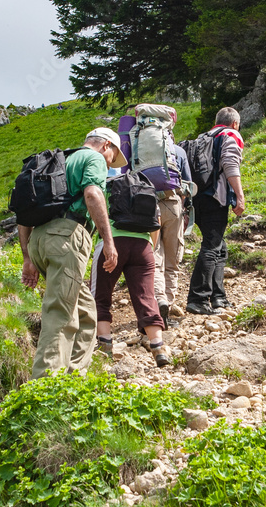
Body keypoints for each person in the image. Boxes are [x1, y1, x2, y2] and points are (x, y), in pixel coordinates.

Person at [18, 127, 128, 379]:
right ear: (106, 146)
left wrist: (28, 257)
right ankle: (45, 387)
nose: (110, 164)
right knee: (61, 313)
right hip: (68, 236)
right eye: (112, 157)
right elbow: (92, 193)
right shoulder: (94, 158)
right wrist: (109, 242)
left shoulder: (58, 162)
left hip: (40, 239)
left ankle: (74, 377)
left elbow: (24, 210)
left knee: (86, 312)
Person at [90, 170, 170, 368]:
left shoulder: (103, 188)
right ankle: (158, 346)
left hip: (112, 243)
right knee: (146, 296)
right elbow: (156, 221)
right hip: (143, 246)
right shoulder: (143, 185)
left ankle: (105, 347)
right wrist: (150, 246)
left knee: (100, 296)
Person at [185, 107, 246, 315]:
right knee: (212, 246)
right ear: (235, 123)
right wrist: (239, 195)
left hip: (195, 197)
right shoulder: (230, 134)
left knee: (219, 247)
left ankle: (218, 297)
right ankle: (198, 298)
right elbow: (230, 163)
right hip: (214, 198)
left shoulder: (203, 137)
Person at [154, 144, 194, 328]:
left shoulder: (135, 144)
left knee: (154, 260)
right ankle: (167, 307)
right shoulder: (177, 150)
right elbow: (188, 186)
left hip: (146, 206)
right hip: (172, 204)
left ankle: (157, 301)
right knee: (172, 260)